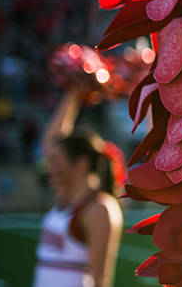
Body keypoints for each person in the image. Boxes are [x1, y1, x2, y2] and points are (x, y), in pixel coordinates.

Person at [35, 87, 123, 287]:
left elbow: (100, 280)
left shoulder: (99, 209)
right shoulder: (65, 196)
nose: (50, 168)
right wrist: (74, 92)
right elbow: (51, 140)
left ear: (81, 163)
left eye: (57, 162)